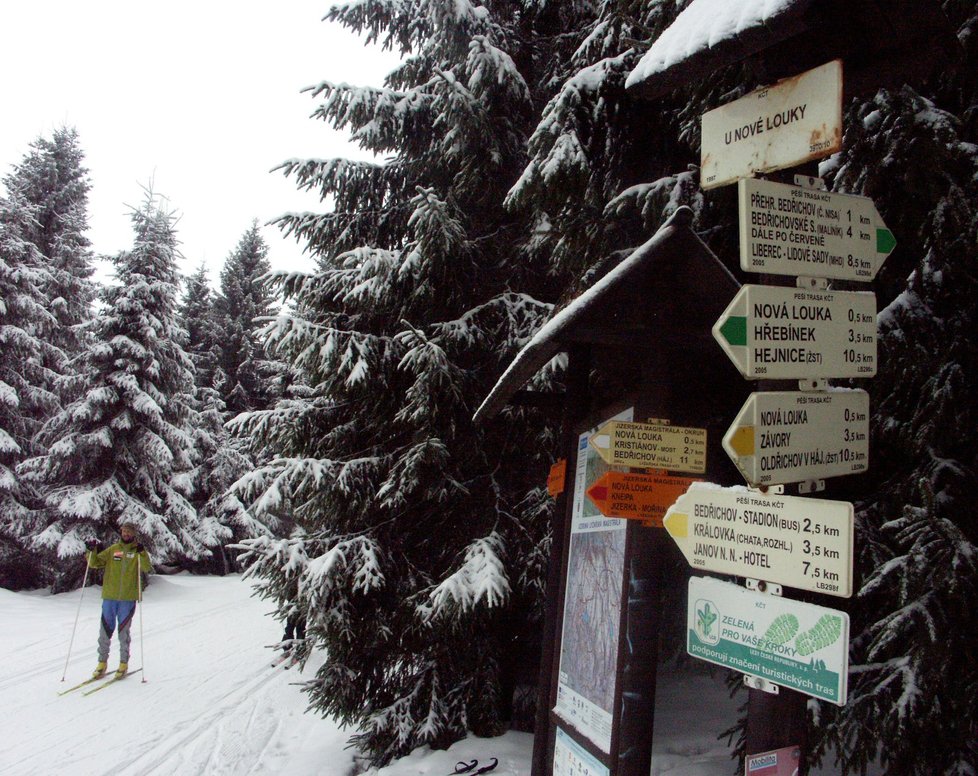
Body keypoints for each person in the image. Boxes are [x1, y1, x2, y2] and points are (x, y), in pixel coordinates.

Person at [85, 522, 153, 679]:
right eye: (124, 531)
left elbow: (146, 568)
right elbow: (94, 563)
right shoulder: (113, 550)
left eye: (129, 532)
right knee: (105, 631)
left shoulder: (137, 551)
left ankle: (123, 663)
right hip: (110, 596)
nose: (126, 534)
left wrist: (142, 553)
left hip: (127, 598)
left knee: (123, 632)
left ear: (134, 534)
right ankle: (102, 662)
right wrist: (91, 550)